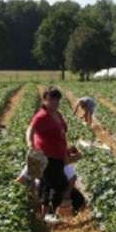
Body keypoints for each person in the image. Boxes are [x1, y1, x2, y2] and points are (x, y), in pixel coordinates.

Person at [26, 86, 68, 224]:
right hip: (47, 156)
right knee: (59, 184)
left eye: (57, 99)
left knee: (47, 185)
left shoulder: (57, 114)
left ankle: (45, 217)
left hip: (58, 155)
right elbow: (30, 130)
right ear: (45, 100)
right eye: (52, 99)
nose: (55, 102)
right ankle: (50, 213)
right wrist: (30, 144)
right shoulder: (41, 116)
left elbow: (62, 130)